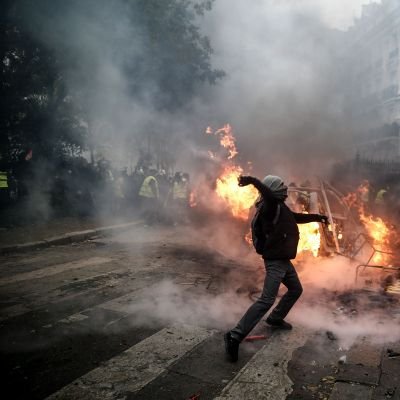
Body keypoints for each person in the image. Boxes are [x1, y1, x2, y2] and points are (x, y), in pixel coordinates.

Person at [224, 175, 328, 362]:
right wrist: (253, 181)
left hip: (284, 261)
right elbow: (268, 194)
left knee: (296, 289)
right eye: (281, 186)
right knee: (266, 300)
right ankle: (234, 335)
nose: (285, 188)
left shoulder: (280, 207)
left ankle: (275, 319)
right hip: (276, 261)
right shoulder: (269, 207)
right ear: (273, 189)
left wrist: (318, 217)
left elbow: (295, 218)